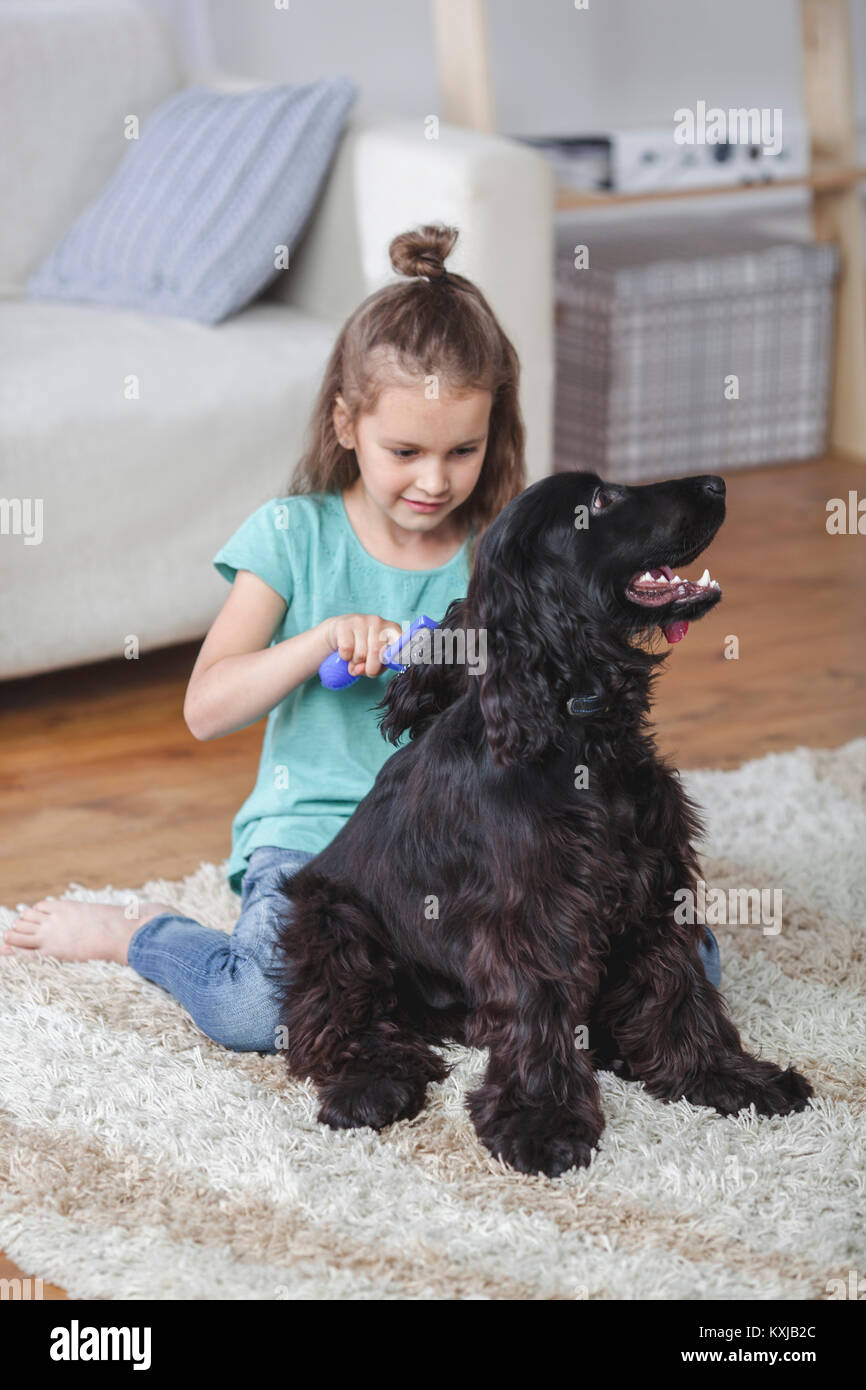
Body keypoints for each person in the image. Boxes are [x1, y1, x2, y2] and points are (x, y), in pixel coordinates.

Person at [3, 222, 722, 1045]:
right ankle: (141, 933)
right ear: (346, 424)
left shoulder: (495, 559)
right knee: (258, 1010)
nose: (434, 479)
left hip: (460, 850)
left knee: (686, 978)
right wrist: (317, 643)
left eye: (463, 450)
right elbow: (206, 708)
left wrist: (631, 621)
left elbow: (544, 694)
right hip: (319, 851)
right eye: (405, 449)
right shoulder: (290, 537)